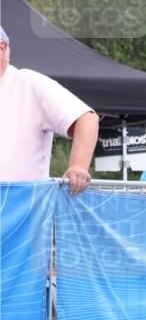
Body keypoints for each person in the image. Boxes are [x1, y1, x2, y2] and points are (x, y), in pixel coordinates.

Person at [0, 25, 97, 194]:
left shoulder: (26, 82)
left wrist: (78, 167)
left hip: (22, 209)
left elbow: (87, 119)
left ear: (1, 48)